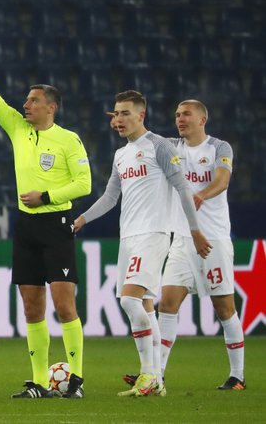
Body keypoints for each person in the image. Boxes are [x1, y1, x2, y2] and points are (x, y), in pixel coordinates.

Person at [0, 38, 91, 399]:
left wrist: (46, 196)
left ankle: (75, 378)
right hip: (27, 226)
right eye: (26, 100)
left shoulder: (68, 141)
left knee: (65, 305)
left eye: (32, 101)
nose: (25, 105)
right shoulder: (18, 128)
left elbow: (85, 183)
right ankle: (40, 382)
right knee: (32, 306)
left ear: (51, 107)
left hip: (57, 225)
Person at [73, 90, 211, 398]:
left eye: (125, 113)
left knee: (129, 301)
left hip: (154, 233)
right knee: (145, 306)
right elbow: (111, 197)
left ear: (141, 115)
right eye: (116, 114)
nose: (118, 119)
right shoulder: (121, 155)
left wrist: (196, 230)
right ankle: (156, 378)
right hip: (129, 238)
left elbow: (182, 188)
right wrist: (82, 219)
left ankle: (150, 373)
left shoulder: (158, 146)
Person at [122, 100, 245, 390]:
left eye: (186, 114)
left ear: (203, 119)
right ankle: (157, 373)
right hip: (181, 239)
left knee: (224, 307)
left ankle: (237, 375)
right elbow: (145, 136)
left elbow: (223, 180)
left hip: (213, 239)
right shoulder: (170, 146)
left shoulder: (219, 148)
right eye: (177, 114)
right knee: (167, 303)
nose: (180, 119)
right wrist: (124, 119)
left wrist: (200, 195)